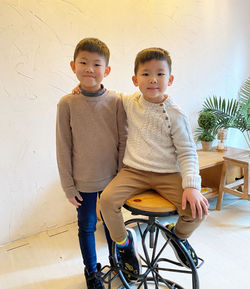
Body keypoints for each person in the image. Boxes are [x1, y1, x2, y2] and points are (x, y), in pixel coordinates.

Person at [99, 47, 209, 278]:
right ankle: (124, 243)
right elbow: (105, 95)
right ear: (135, 79)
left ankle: (177, 235)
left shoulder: (175, 114)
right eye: (146, 73)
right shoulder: (129, 102)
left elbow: (187, 152)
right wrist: (86, 88)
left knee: (198, 210)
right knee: (107, 201)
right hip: (134, 171)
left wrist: (191, 186)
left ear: (170, 79)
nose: (153, 79)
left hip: (167, 173)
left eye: (160, 74)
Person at [56, 37, 127, 289]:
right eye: (83, 62)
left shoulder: (117, 100)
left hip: (112, 179)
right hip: (82, 180)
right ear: (73, 65)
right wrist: (68, 186)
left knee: (111, 224)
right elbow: (63, 146)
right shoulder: (67, 103)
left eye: (96, 64)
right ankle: (91, 271)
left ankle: (115, 261)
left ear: (106, 71)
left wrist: (121, 176)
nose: (89, 68)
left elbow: (123, 139)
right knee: (86, 226)